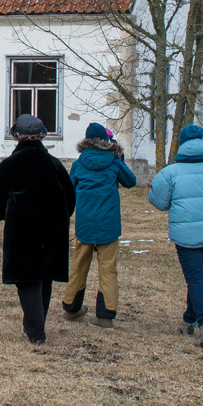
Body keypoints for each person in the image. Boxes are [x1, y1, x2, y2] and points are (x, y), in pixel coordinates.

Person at [0, 114, 76, 345]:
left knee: (27, 280)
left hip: (22, 231)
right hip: (53, 229)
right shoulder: (55, 164)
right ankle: (35, 326)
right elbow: (70, 198)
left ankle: (36, 332)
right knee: (43, 277)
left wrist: (5, 214)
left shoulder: (9, 165)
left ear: (16, 136)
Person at [147, 124, 203, 347]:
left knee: (195, 280)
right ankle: (188, 322)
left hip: (186, 235)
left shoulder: (171, 172)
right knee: (198, 279)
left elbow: (158, 201)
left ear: (182, 144)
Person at [63, 122, 136, 327]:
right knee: (108, 269)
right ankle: (105, 316)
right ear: (105, 140)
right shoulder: (113, 162)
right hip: (109, 225)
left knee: (78, 266)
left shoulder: (79, 164)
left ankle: (71, 307)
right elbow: (131, 181)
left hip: (85, 224)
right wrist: (120, 160)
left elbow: (69, 191)